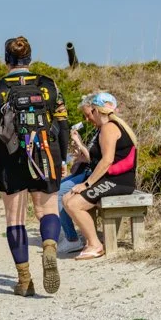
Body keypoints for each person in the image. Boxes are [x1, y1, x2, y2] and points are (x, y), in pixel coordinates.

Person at [0, 36, 68, 296]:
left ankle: (24, 280)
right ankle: (48, 248)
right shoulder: (48, 84)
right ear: (29, 58)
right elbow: (63, 124)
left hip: (10, 154)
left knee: (15, 218)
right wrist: (63, 158)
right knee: (47, 209)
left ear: (7, 60)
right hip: (46, 150)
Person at [61, 91, 139, 260]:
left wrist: (87, 184)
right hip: (112, 180)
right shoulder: (108, 127)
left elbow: (107, 161)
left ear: (97, 110)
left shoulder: (109, 128)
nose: (89, 118)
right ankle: (91, 241)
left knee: (74, 204)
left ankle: (95, 245)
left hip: (118, 181)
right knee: (67, 198)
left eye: (90, 113)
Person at [56, 96, 96, 253]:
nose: (86, 119)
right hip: (86, 171)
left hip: (91, 175)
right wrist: (77, 150)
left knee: (59, 193)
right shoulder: (97, 129)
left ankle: (72, 238)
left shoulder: (106, 129)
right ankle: (70, 235)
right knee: (59, 189)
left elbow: (94, 159)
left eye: (88, 114)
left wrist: (79, 143)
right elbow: (87, 157)